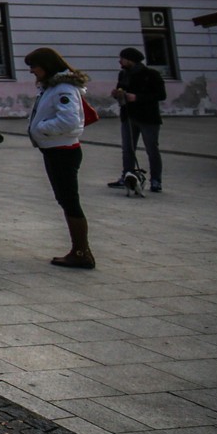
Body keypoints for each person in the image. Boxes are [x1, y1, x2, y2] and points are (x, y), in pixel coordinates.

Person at [25, 46, 95, 269]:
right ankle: (79, 249)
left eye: (33, 67)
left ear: (46, 66)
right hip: (55, 150)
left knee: (69, 200)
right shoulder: (52, 86)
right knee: (65, 200)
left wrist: (43, 129)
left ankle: (81, 251)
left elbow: (69, 122)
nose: (32, 71)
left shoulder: (63, 88)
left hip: (63, 151)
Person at [109, 47, 166, 192]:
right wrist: (117, 94)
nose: (120, 61)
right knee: (128, 149)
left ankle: (156, 180)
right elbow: (121, 89)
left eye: (122, 58)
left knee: (152, 149)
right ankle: (127, 176)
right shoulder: (123, 74)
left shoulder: (151, 74)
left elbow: (160, 94)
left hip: (148, 117)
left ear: (130, 60)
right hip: (128, 116)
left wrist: (137, 97)